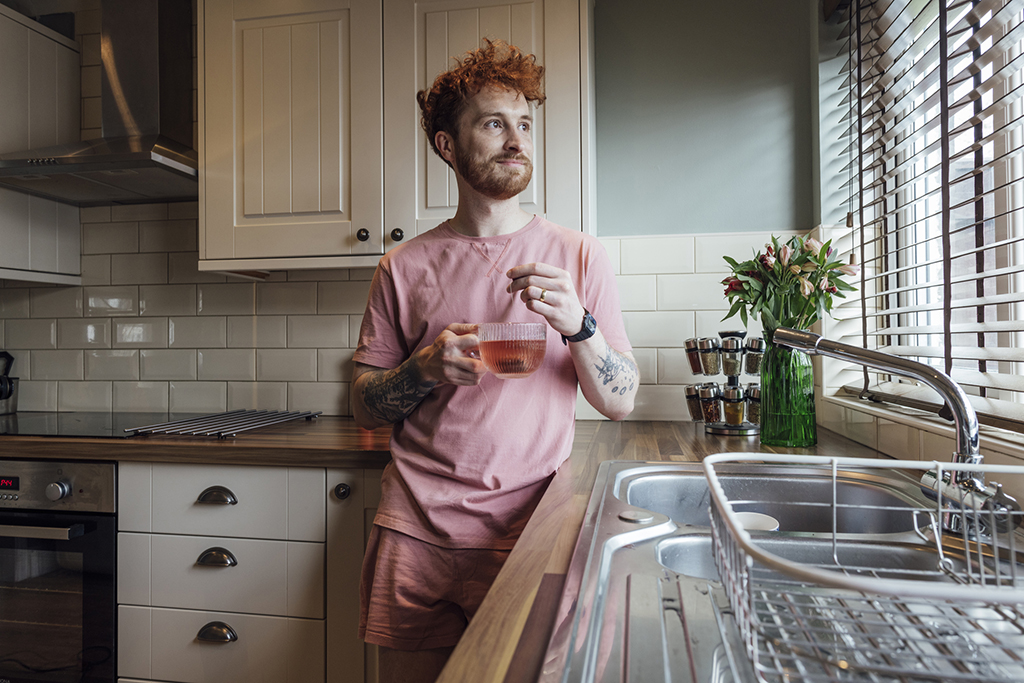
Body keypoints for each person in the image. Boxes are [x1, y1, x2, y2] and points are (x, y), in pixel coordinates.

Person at [352, 39, 638, 683]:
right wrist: (421, 370)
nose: (517, 140)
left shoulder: (578, 256)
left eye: (526, 124)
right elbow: (362, 404)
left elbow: (619, 401)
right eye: (493, 123)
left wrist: (580, 327)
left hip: (531, 530)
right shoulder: (402, 265)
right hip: (416, 531)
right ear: (448, 146)